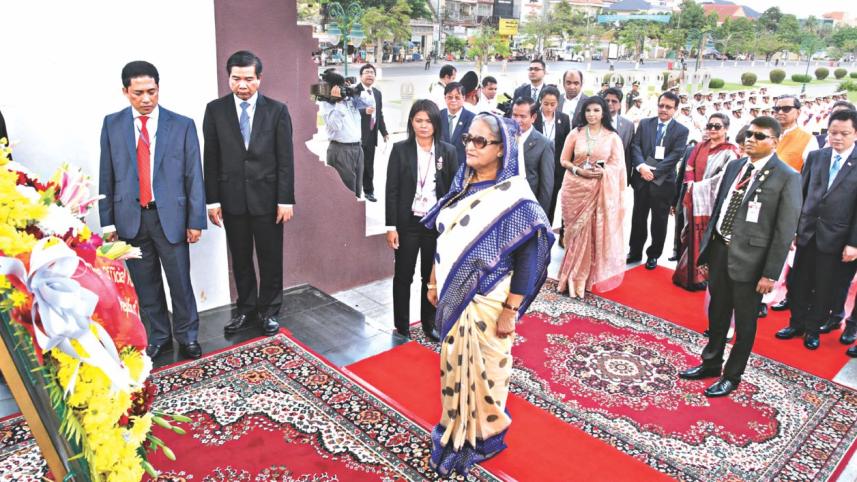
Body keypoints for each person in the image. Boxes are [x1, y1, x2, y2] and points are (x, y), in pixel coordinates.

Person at [421, 112, 554, 476]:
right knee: (453, 367)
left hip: (489, 302)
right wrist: (433, 282)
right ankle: (455, 427)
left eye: (481, 141)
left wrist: (512, 309)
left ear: (501, 149)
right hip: (453, 294)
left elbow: (528, 258)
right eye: (468, 138)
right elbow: (443, 238)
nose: (470, 146)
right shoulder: (461, 186)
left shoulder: (515, 198)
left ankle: (485, 435)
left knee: (487, 373)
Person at [679, 116, 801, 397]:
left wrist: (770, 273)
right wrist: (708, 251)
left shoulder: (787, 177)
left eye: (760, 136)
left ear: (775, 142)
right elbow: (719, 209)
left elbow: (784, 231)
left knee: (744, 323)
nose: (751, 140)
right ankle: (711, 363)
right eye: (749, 134)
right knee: (717, 312)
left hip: (753, 262)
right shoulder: (736, 166)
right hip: (721, 250)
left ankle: (732, 376)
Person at [99, 61, 206, 359]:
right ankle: (159, 336)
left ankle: (188, 336)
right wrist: (107, 222)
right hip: (130, 219)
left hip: (171, 218)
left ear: (158, 89)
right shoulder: (112, 124)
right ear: (125, 92)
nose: (146, 99)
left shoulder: (182, 125)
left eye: (152, 91)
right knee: (145, 285)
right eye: (138, 93)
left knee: (180, 282)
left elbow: (193, 175)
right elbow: (107, 173)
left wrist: (195, 220)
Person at [203, 50, 296, 338]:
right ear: (228, 78)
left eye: (248, 79)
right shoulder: (215, 110)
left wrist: (285, 199)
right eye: (236, 79)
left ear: (259, 78)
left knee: (270, 258)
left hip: (268, 200)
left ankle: (269, 310)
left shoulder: (277, 111)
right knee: (240, 258)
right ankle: (245, 308)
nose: (242, 85)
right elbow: (211, 158)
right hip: (231, 199)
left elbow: (285, 160)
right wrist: (212, 200)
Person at [775, 109, 857, 350]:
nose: (837, 138)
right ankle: (796, 323)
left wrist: (853, 242)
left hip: (836, 238)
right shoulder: (816, 157)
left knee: (823, 287)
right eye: (833, 132)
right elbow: (800, 194)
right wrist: (793, 229)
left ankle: (813, 330)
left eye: (844, 133)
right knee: (798, 282)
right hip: (807, 232)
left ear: (855, 133)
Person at [385, 100, 458, 342]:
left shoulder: (448, 151)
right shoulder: (400, 149)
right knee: (403, 275)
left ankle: (429, 324)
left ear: (436, 123)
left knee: (431, 277)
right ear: (411, 122)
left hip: (434, 225)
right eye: (418, 120)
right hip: (408, 223)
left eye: (428, 121)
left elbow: (454, 192)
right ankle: (402, 326)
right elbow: (391, 190)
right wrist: (391, 227)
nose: (423, 126)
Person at [557, 96, 627, 297]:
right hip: (574, 188)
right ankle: (567, 277)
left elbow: (618, 166)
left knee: (590, 236)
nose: (591, 114)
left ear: (603, 112)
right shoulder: (576, 133)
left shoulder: (612, 137)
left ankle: (581, 280)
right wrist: (579, 171)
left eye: (596, 110)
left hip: (597, 189)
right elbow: (564, 160)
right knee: (574, 236)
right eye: (588, 110)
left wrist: (604, 172)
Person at [672, 113, 740, 290]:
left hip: (711, 202)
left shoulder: (730, 151)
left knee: (705, 238)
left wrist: (700, 187)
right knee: (689, 235)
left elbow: (723, 177)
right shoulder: (700, 146)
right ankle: (686, 274)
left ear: (726, 129)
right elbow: (689, 167)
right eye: (710, 126)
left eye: (717, 126)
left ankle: (701, 277)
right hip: (693, 197)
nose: (712, 129)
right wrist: (691, 185)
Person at [769, 95, 821, 312]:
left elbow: (811, 179)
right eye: (777, 109)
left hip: (788, 205)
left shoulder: (807, 140)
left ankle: (766, 298)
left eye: (786, 108)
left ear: (798, 112)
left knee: (779, 250)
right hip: (761, 202)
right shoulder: (767, 134)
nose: (780, 112)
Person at [628, 91, 689, 270]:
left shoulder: (681, 130)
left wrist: (654, 173)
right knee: (638, 218)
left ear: (675, 110)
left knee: (659, 221)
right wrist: (641, 167)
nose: (663, 109)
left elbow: (676, 155)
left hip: (663, 183)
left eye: (668, 107)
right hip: (641, 178)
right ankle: (635, 251)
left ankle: (653, 254)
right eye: (661, 105)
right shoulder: (645, 124)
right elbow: (635, 146)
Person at [319, 69, 371, 198]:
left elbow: (368, 104)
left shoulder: (349, 97)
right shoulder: (326, 103)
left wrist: (354, 91)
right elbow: (335, 125)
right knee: (346, 195)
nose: (342, 87)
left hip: (357, 149)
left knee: (357, 192)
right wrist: (338, 103)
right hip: (341, 151)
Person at [534, 86, 571, 224]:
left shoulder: (564, 119)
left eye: (553, 104)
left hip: (555, 168)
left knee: (551, 200)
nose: (549, 108)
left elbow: (566, 144)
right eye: (546, 104)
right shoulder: (534, 117)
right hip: (535, 166)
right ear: (540, 101)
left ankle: (546, 229)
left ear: (558, 103)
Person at [511, 98, 554, 215]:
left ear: (533, 117)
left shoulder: (544, 144)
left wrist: (539, 216)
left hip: (529, 206)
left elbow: (546, 187)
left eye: (523, 116)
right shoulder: (504, 138)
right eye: (514, 115)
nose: (517, 120)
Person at [354, 64, 389, 203]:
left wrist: (384, 132)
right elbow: (349, 109)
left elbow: (379, 114)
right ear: (361, 76)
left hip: (371, 135)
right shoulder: (354, 91)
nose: (370, 75)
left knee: (369, 165)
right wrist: (364, 111)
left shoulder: (377, 93)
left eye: (372, 72)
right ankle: (354, 192)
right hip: (356, 135)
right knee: (356, 166)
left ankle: (369, 191)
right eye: (367, 72)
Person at [603, 87, 635, 182]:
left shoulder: (628, 125)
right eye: (607, 101)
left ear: (620, 105)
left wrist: (626, 178)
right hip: (597, 174)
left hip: (617, 176)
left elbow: (628, 154)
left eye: (614, 101)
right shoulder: (594, 122)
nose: (610, 103)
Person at [440, 82, 475, 166]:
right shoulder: (438, 116)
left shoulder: (472, 118)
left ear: (463, 98)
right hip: (441, 165)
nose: (453, 100)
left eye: (457, 97)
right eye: (450, 97)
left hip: (463, 165)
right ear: (445, 98)